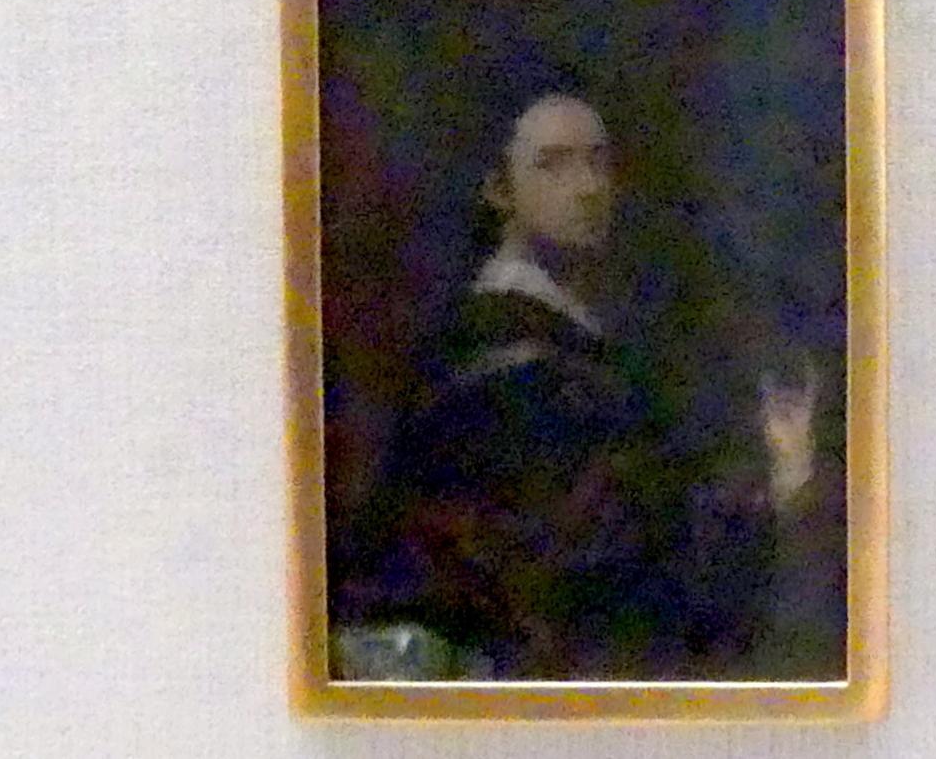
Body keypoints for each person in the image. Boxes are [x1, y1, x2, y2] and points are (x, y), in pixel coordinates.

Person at [332, 93, 826, 680]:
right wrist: (782, 489)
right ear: (498, 189)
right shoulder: (504, 363)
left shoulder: (578, 347)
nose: (589, 186)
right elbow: (604, 583)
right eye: (554, 165)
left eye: (598, 161)